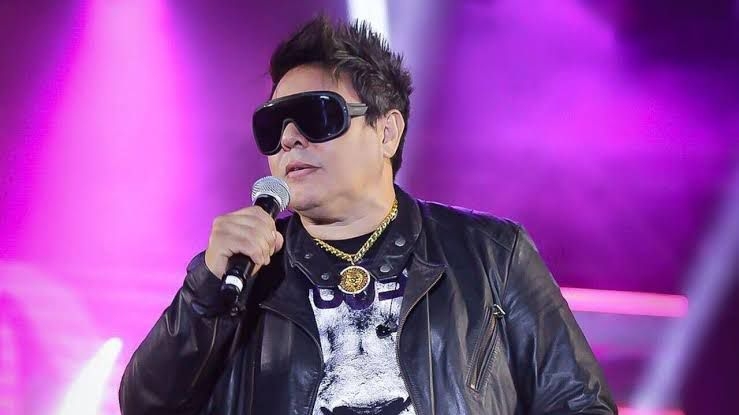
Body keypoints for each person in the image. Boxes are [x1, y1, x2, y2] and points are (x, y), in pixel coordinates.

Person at [119, 15, 616, 415]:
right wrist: (206, 290)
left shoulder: (491, 254)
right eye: (273, 126)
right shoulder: (240, 275)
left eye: (316, 116)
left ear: (386, 132)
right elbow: (146, 405)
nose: (289, 138)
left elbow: (578, 403)